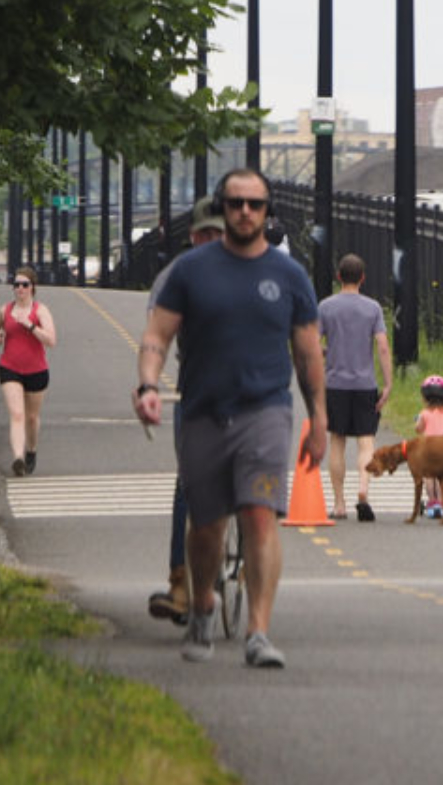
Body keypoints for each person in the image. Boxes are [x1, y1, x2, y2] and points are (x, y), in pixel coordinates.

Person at [133, 168, 325, 670]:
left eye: (255, 204)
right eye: (235, 203)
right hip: (202, 410)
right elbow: (157, 336)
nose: (244, 212)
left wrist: (320, 419)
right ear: (223, 207)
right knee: (207, 526)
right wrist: (148, 385)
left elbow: (308, 356)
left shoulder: (290, 278)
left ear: (267, 212)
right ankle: (199, 608)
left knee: (260, 516)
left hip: (266, 410)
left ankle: (258, 631)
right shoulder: (191, 271)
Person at [146, 197, 226, 625]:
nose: (213, 241)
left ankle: (253, 554)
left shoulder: (252, 270)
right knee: (189, 484)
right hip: (196, 393)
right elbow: (156, 336)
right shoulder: (175, 278)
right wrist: (148, 384)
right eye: (205, 234)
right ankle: (181, 581)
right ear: (193, 237)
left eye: (221, 233)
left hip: (250, 395)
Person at [319, 254, 394, 522]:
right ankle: (363, 490)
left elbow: (314, 345)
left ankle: (339, 504)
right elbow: (382, 347)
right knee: (366, 442)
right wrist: (387, 383)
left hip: (335, 384)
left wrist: (328, 352)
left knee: (337, 440)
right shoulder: (372, 308)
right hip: (365, 384)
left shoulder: (325, 307)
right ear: (363, 278)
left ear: (339, 276)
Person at [0, 266, 57, 477]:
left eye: (24, 285)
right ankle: (18, 457)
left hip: (36, 370)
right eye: (17, 285)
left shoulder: (40, 311)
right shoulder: (5, 310)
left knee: (31, 417)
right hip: (9, 368)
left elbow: (51, 340)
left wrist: (30, 325)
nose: (20, 288)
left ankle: (31, 451)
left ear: (32, 288)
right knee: (17, 414)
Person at [414, 376, 443, 520]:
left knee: (428, 475)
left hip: (428, 448)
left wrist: (418, 422)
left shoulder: (424, 413)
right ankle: (441, 500)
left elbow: (418, 429)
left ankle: (432, 500)